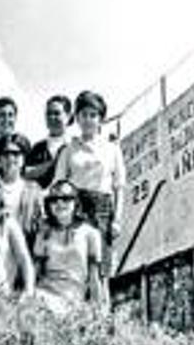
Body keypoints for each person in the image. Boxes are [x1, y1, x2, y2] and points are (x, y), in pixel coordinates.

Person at [53, 90, 125, 279]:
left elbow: (119, 187)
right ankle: (78, 309)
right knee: (77, 266)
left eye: (93, 115)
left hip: (103, 209)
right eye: (84, 115)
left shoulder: (112, 149)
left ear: (100, 119)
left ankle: (102, 308)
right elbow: (58, 186)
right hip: (76, 209)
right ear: (77, 117)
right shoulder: (68, 151)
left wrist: (116, 220)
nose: (88, 120)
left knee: (102, 268)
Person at [33, 180, 103, 314]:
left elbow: (94, 277)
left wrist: (99, 310)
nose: (59, 203)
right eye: (54, 199)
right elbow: (35, 273)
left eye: (66, 199)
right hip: (44, 294)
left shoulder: (90, 233)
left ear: (75, 203)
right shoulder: (43, 233)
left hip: (73, 297)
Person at [0, 132, 44, 243]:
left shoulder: (34, 190)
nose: (11, 158)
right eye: (6, 154)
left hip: (26, 247)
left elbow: (41, 225)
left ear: (24, 158)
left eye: (16, 154)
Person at [26, 95, 72, 188]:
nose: (52, 117)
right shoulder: (37, 148)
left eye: (57, 113)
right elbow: (26, 174)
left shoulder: (76, 145)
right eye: (48, 113)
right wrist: (53, 163)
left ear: (68, 116)